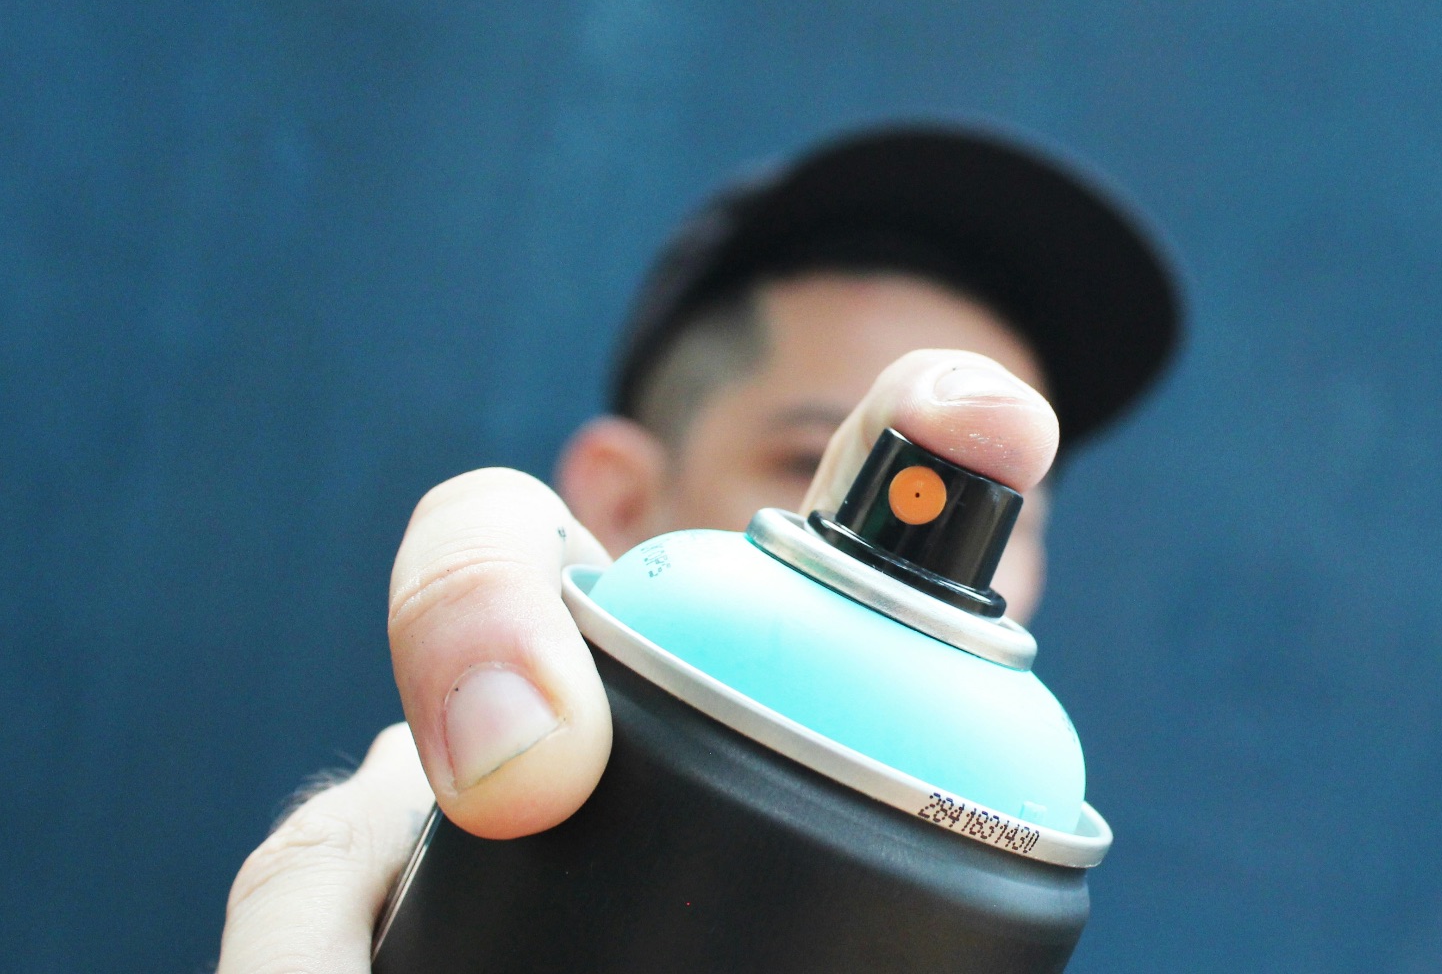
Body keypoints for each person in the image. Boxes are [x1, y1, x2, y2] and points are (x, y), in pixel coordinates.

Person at [213, 125, 1181, 972]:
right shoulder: (463, 801)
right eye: (807, 454)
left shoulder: (1012, 857)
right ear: (620, 500)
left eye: (1011, 511)